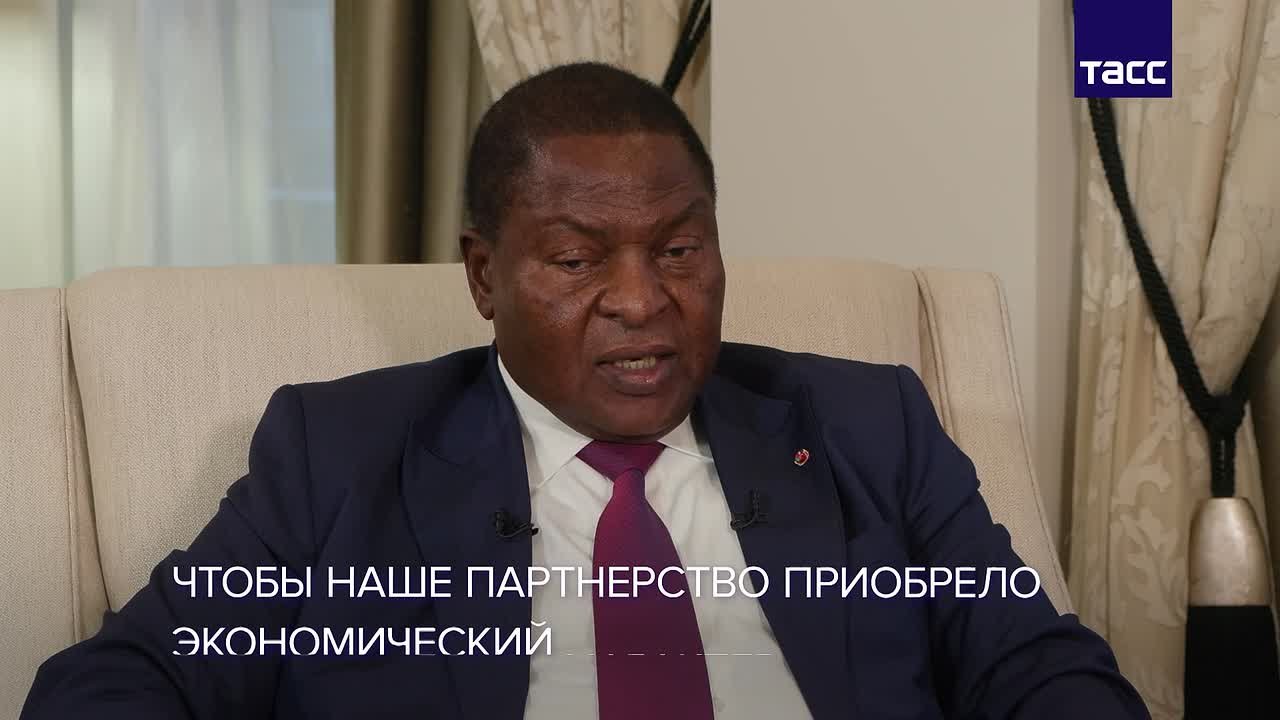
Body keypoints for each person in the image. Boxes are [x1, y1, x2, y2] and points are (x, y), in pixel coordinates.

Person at [21, 62, 1149, 720]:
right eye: (574, 260)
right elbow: (126, 682)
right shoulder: (340, 454)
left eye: (679, 249)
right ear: (484, 276)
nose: (642, 301)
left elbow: (1036, 665)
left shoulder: (868, 425)